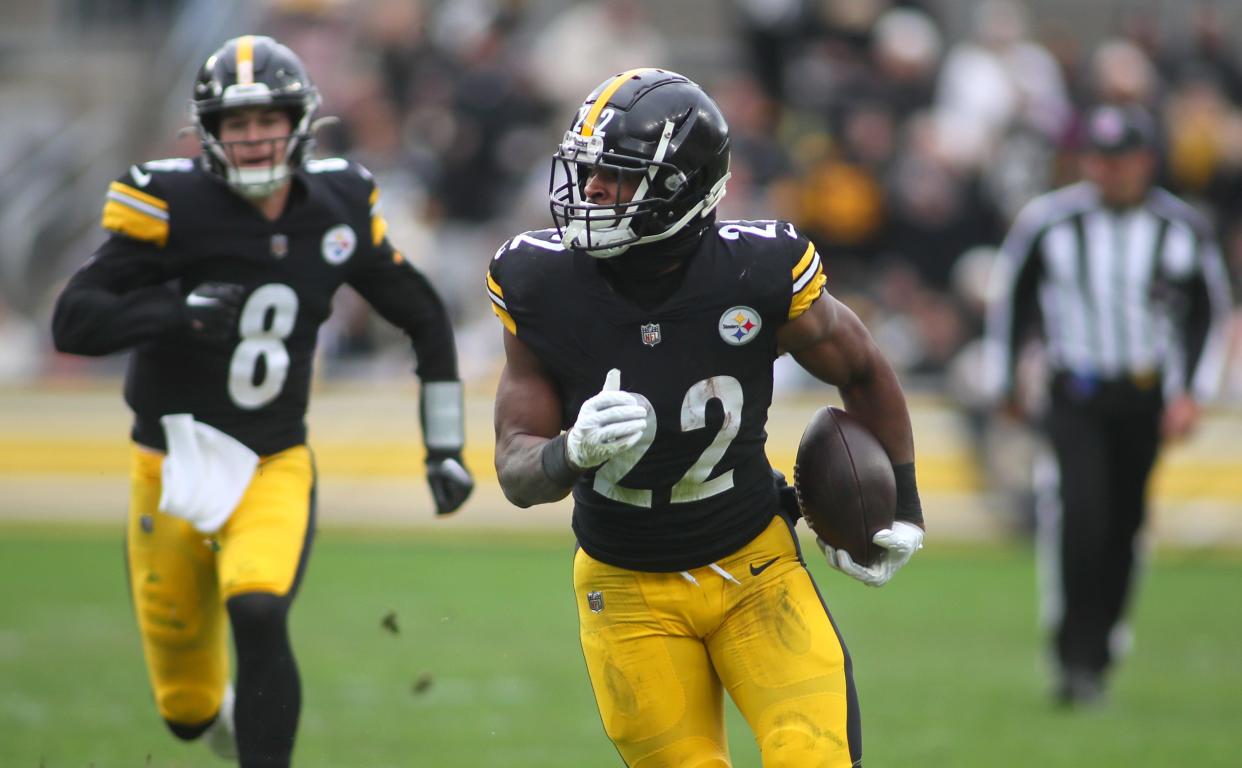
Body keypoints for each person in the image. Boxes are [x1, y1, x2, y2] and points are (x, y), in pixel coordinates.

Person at [50, 35, 474, 766]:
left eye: (266, 120)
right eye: (236, 124)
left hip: (272, 461)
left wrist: (443, 447)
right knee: (185, 710)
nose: (252, 139)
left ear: (299, 122)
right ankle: (221, 723)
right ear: (209, 134)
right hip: (169, 465)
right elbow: (73, 321)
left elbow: (424, 316)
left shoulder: (338, 204)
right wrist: (174, 311)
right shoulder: (170, 203)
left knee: (258, 604)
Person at [488, 68, 925, 767]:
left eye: (617, 176)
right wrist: (569, 451)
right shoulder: (540, 283)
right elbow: (516, 468)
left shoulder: (756, 271)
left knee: (813, 757)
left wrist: (903, 503)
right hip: (624, 591)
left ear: (680, 190)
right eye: (587, 169)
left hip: (754, 570)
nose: (590, 190)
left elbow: (863, 369)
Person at [985, 103, 1232, 707]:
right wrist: (1008, 382)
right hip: (1077, 393)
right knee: (1083, 515)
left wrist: (1192, 394)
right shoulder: (1049, 222)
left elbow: (1211, 313)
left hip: (1143, 395)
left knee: (1124, 525)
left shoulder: (1180, 228)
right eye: (1100, 158)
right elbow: (1010, 301)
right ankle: (1074, 659)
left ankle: (1099, 650)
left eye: (1122, 160)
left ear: (1146, 162)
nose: (1110, 172)